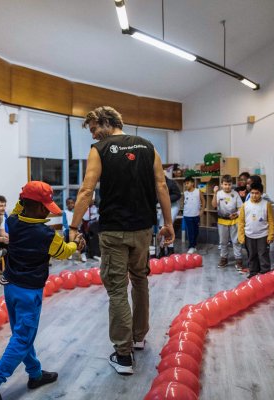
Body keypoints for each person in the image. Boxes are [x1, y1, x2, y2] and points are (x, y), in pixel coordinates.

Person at [68, 106, 175, 376]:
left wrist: (73, 226)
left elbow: (86, 190)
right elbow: (161, 186)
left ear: (105, 122)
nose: (93, 135)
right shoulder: (149, 146)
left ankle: (123, 355)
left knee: (117, 289)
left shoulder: (100, 149)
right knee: (140, 279)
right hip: (143, 229)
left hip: (114, 231)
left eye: (93, 129)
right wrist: (168, 223)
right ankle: (138, 336)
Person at [0, 181, 83, 400]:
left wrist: (25, 196)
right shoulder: (47, 235)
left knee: (21, 334)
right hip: (29, 292)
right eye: (44, 206)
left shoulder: (12, 221)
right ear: (33, 206)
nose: (46, 210)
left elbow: (19, 207)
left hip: (11, 287)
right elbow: (63, 252)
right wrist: (76, 245)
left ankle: (34, 374)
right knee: (23, 338)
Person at [238, 182, 274, 278]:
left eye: (257, 193)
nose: (254, 195)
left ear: (261, 193)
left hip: (263, 235)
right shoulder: (245, 205)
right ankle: (253, 273)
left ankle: (265, 273)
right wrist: (241, 236)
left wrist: (271, 235)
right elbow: (241, 222)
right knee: (252, 255)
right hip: (249, 235)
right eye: (252, 193)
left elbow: (271, 221)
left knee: (263, 255)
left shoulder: (267, 205)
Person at [212, 175, 243, 270]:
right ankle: (224, 258)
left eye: (229, 184)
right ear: (221, 185)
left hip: (234, 220)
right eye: (225, 184)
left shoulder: (235, 194)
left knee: (236, 241)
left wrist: (236, 214)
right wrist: (214, 193)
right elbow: (213, 205)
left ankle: (238, 259)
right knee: (223, 242)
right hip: (222, 221)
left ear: (232, 185)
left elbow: (241, 208)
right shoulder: (219, 194)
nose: (227, 186)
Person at [157, 173, 182, 257]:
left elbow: (178, 195)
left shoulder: (171, 183)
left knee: (168, 225)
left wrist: (165, 199)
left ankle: (171, 249)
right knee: (161, 226)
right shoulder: (155, 183)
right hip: (164, 205)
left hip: (173, 206)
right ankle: (162, 249)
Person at [183, 176, 203, 254]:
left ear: (192, 183)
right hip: (187, 215)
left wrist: (202, 210)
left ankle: (194, 245)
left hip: (196, 215)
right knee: (190, 231)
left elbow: (203, 201)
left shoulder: (198, 191)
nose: (186, 185)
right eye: (185, 184)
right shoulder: (185, 193)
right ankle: (191, 246)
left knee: (196, 231)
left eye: (187, 183)